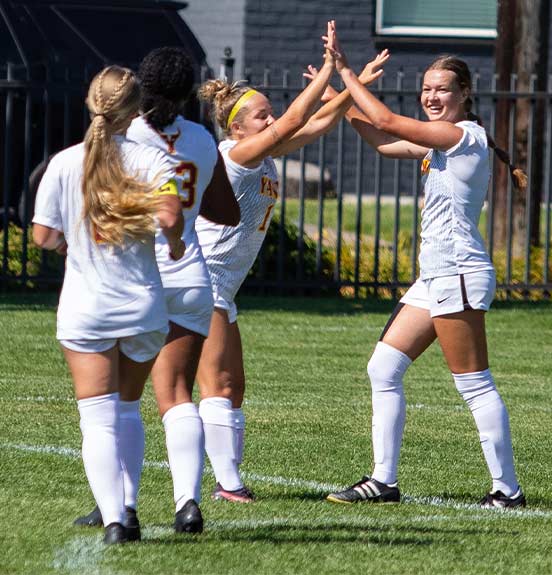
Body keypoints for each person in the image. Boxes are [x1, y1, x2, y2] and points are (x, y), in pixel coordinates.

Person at [322, 23, 527, 508]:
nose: (432, 97)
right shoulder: (439, 141)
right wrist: (339, 95)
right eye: (427, 90)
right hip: (434, 277)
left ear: (464, 95)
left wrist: (349, 71)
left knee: (473, 383)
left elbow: (390, 123)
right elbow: (381, 140)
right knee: (384, 367)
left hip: (458, 272)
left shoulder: (461, 136)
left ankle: (507, 491)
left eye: (442, 90)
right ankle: (383, 481)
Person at [195, 22, 388, 502]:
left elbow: (315, 122)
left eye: (269, 114)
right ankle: (228, 484)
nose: (271, 119)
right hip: (200, 281)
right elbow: (295, 122)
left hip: (222, 287)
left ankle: (225, 479)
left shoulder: (263, 155)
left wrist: (352, 81)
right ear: (237, 127)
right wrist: (328, 69)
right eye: (260, 116)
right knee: (218, 383)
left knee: (233, 385)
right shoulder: (237, 154)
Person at [71, 47, 241, 533]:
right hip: (190, 276)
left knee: (121, 402)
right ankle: (187, 501)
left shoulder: (123, 136)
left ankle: (120, 505)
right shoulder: (202, 139)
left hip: (136, 278)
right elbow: (226, 212)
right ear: (189, 92)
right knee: (177, 393)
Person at [31, 65, 185, 544]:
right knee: (127, 408)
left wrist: (70, 248)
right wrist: (175, 244)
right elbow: (170, 214)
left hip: (86, 307)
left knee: (96, 418)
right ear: (135, 111)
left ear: (90, 103)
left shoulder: (63, 162)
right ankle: (130, 506)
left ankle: (116, 519)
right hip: (142, 305)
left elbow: (42, 236)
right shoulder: (150, 158)